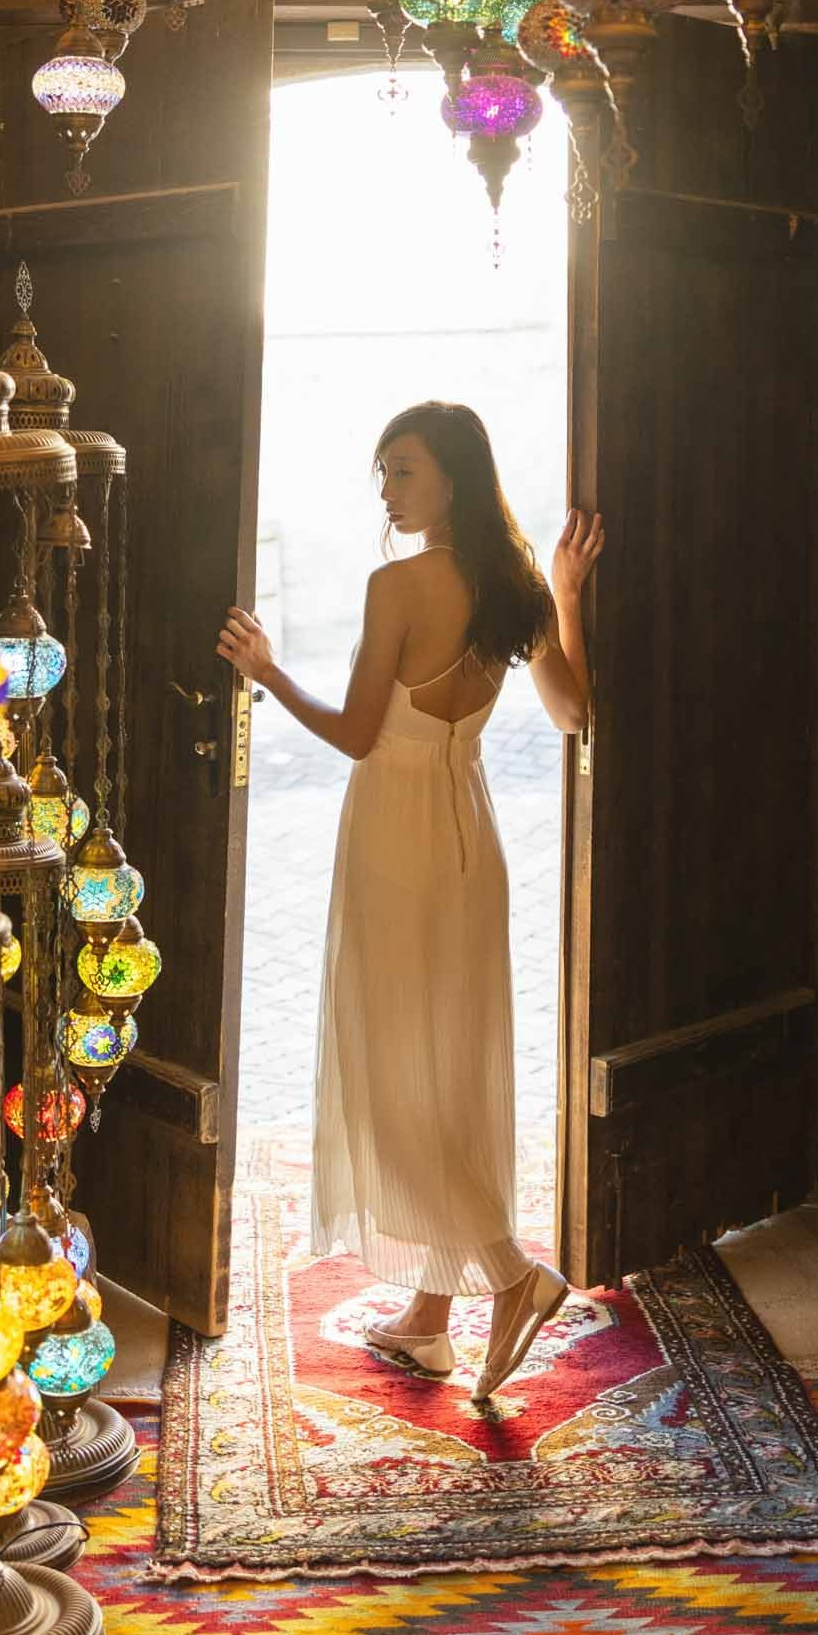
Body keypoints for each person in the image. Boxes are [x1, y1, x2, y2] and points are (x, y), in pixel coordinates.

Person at [218, 401, 602, 1404]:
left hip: (395, 828)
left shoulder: (397, 585)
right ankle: (430, 1320)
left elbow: (353, 734)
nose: (385, 492)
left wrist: (266, 673)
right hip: (467, 834)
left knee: (398, 1068)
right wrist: (566, 597)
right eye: (381, 474)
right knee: (446, 1058)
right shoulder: (515, 583)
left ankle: (514, 1277)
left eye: (402, 472)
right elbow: (576, 713)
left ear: (452, 481)